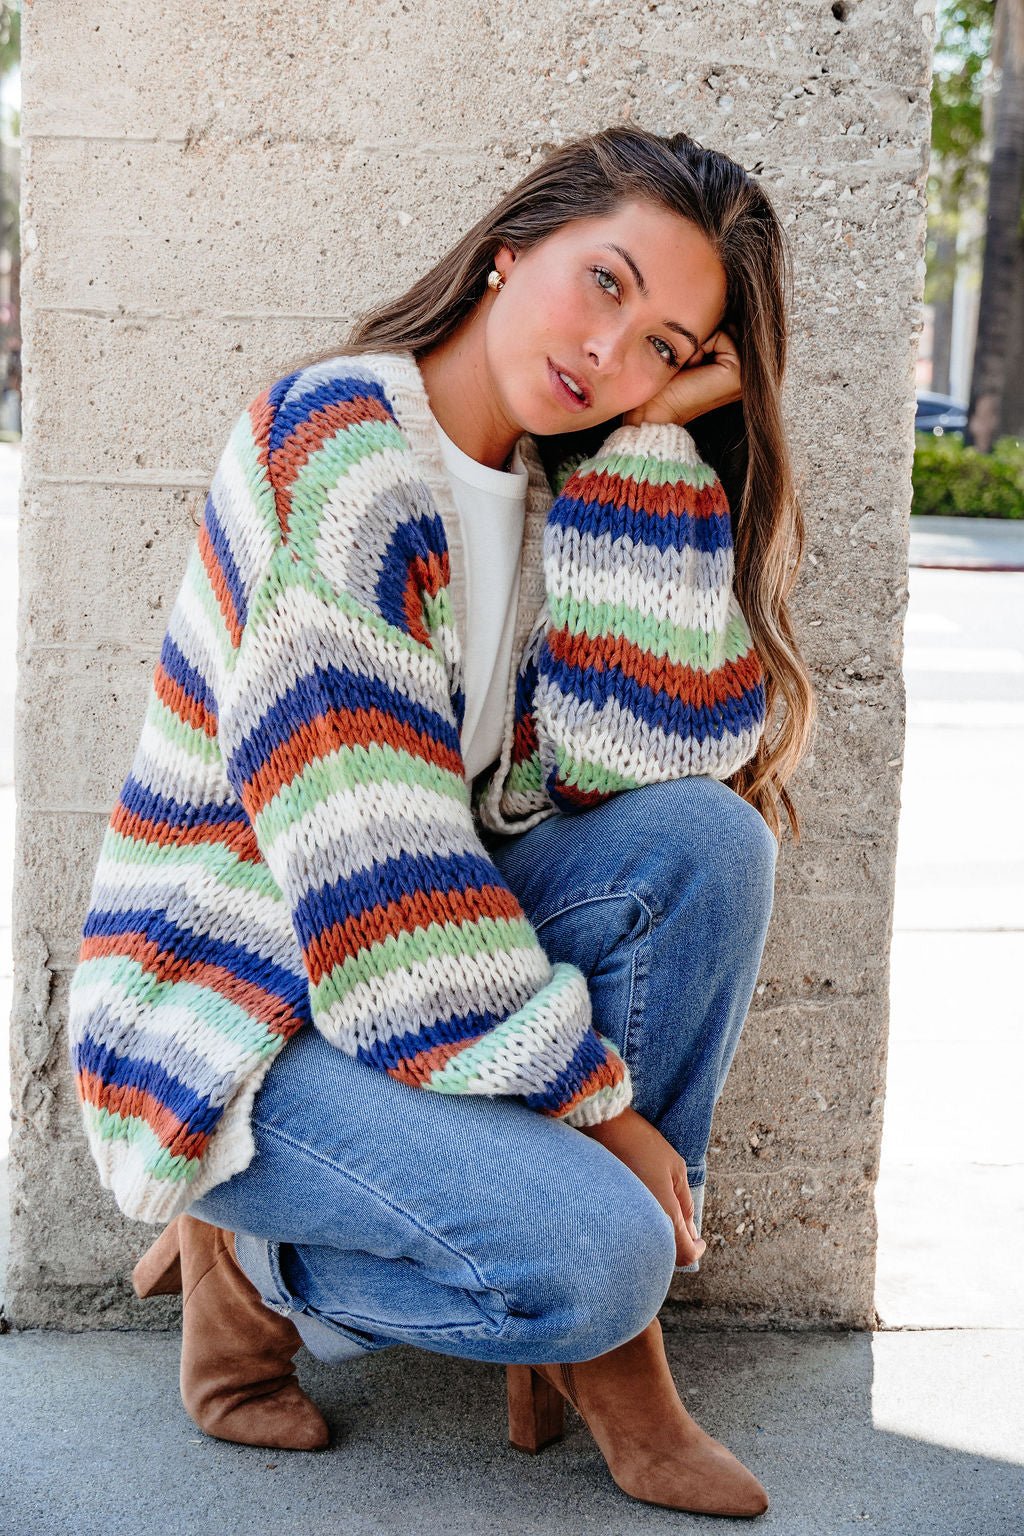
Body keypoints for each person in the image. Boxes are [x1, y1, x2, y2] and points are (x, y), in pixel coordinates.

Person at [68, 124, 814, 1518]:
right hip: (235, 1003)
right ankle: (259, 1258)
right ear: (508, 248)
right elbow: (376, 886)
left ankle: (605, 1333)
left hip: (402, 978)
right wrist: (598, 1113)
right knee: (593, 1253)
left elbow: (625, 762)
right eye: (604, 282)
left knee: (712, 846)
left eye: (665, 344)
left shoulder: (551, 496)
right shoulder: (337, 449)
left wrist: (647, 461)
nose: (614, 350)